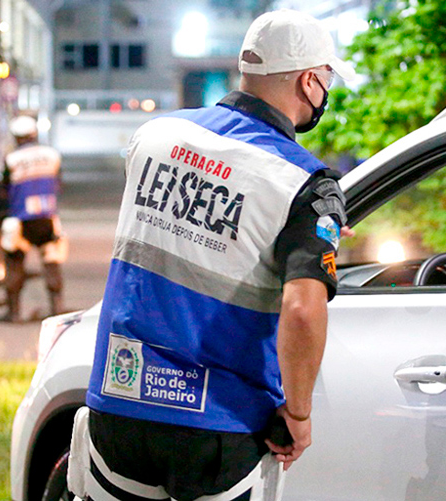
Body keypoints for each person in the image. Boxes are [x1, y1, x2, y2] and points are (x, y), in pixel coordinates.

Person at [72, 9, 356, 501]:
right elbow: (302, 309)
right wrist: (299, 415)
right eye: (326, 77)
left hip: (119, 405)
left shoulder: (156, 136)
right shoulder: (303, 184)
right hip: (219, 427)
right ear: (310, 81)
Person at [0, 115, 66, 323]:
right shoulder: (52, 155)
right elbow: (58, 182)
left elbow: (5, 189)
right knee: (51, 261)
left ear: (16, 137)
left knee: (15, 262)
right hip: (47, 218)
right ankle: (57, 307)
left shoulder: (12, 159)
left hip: (21, 220)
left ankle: (14, 312)